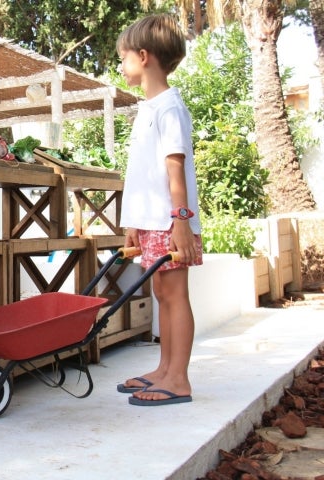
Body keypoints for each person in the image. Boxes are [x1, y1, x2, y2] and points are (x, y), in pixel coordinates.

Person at [115, 14, 203, 406]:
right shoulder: (149, 108)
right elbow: (143, 175)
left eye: (124, 57)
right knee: (161, 293)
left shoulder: (169, 108)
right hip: (152, 221)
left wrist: (180, 223)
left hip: (170, 222)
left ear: (144, 56)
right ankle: (164, 369)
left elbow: (175, 170)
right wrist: (133, 223)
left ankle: (178, 379)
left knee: (175, 294)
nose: (121, 65)